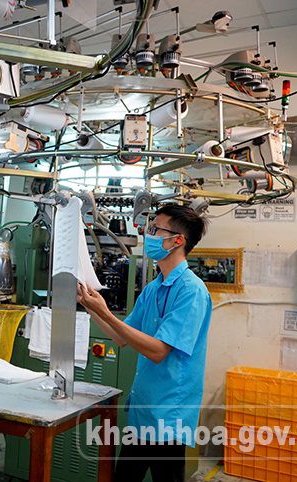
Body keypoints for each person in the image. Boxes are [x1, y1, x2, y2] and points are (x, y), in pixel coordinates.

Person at [77, 204, 211, 482]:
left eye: (155, 229)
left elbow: (159, 351)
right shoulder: (153, 288)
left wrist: (105, 312)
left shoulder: (192, 291)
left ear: (177, 240)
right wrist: (91, 306)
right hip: (143, 409)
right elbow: (120, 337)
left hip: (168, 415)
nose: (148, 235)